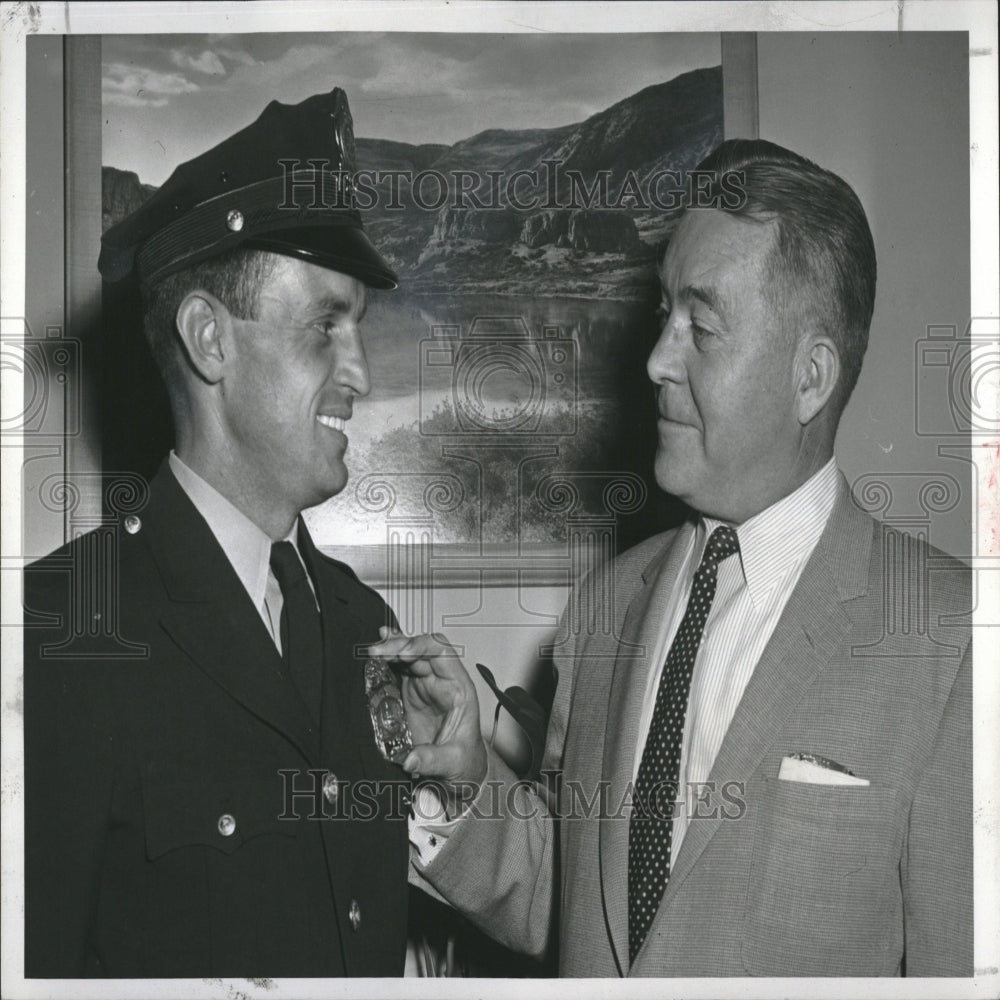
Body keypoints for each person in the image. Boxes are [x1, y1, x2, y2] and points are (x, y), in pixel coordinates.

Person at [379, 139, 973, 977]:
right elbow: (571, 897)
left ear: (812, 378)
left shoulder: (953, 642)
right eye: (664, 314)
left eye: (702, 325)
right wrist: (465, 781)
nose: (657, 358)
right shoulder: (607, 604)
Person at [23, 88, 431, 977]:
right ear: (210, 340)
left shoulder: (364, 626)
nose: (360, 370)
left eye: (357, 325)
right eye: (327, 323)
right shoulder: (58, 631)